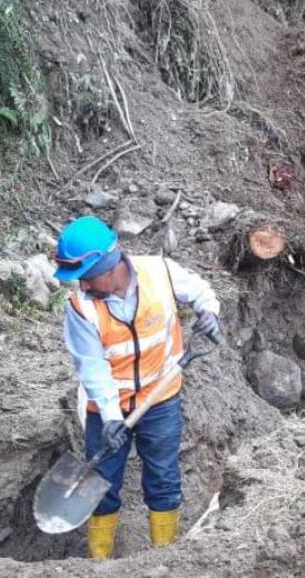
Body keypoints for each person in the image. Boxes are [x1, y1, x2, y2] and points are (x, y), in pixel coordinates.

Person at [54, 215, 222, 559]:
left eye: (84, 278)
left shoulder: (159, 273)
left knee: (163, 479)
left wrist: (209, 311)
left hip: (160, 399)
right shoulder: (80, 307)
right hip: (106, 407)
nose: (81, 286)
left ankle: (163, 558)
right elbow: (92, 367)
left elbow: (201, 291)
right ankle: (98, 564)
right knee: (100, 485)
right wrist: (112, 417)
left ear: (107, 267)